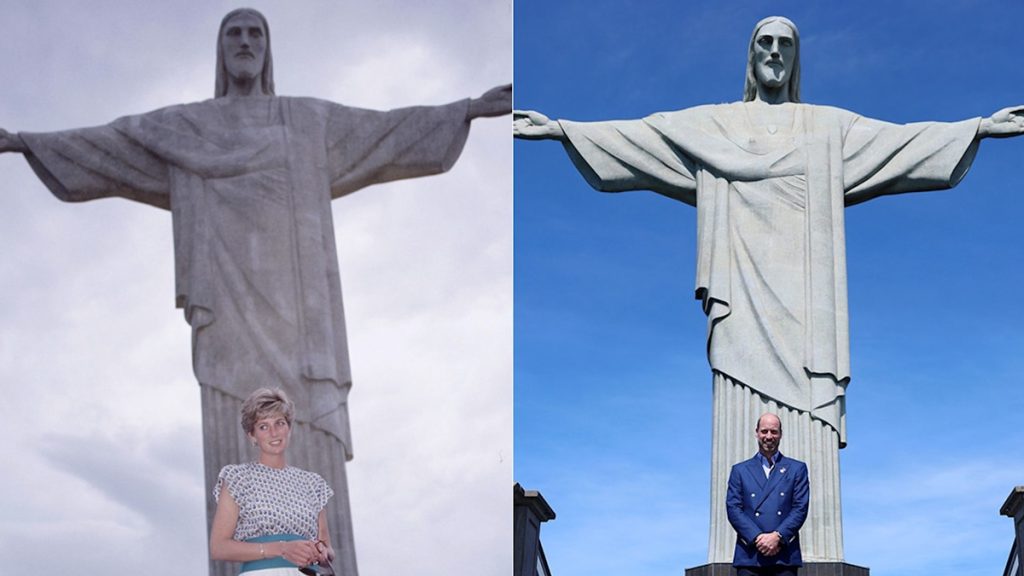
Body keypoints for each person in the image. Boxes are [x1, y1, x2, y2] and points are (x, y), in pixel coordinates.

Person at [0, 8, 510, 575]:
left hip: (300, 320)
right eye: (233, 34)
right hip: (228, 322)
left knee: (305, 438)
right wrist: (26, 142)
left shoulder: (308, 122)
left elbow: (386, 130)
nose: (244, 43)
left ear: (268, 49)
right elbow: (114, 143)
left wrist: (466, 110)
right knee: (237, 444)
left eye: (255, 33)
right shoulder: (188, 129)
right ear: (220, 52)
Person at [514, 15, 1024, 563]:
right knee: (736, 410)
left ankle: (813, 548)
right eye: (765, 43)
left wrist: (976, 127)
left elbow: (899, 144)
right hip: (741, 298)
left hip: (808, 303)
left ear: (796, 58)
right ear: (751, 56)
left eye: (786, 44)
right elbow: (646, 136)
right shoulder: (716, 126)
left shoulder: (827, 128)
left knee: (811, 424)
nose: (775, 52)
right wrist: (564, 129)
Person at [210, 387, 335, 575]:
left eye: (280, 423)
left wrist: (322, 552)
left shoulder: (313, 483)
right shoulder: (237, 478)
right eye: (263, 426)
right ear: (252, 435)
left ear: (289, 428)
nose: (274, 433)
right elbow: (218, 548)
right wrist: (282, 548)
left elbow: (327, 547)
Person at [726, 413, 809, 576]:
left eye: (774, 431)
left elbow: (800, 508)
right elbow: (733, 509)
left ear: (781, 434)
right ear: (756, 432)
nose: (769, 436)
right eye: (764, 431)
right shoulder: (740, 470)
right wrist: (758, 538)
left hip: (784, 555)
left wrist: (777, 536)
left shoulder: (796, 469)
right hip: (750, 555)